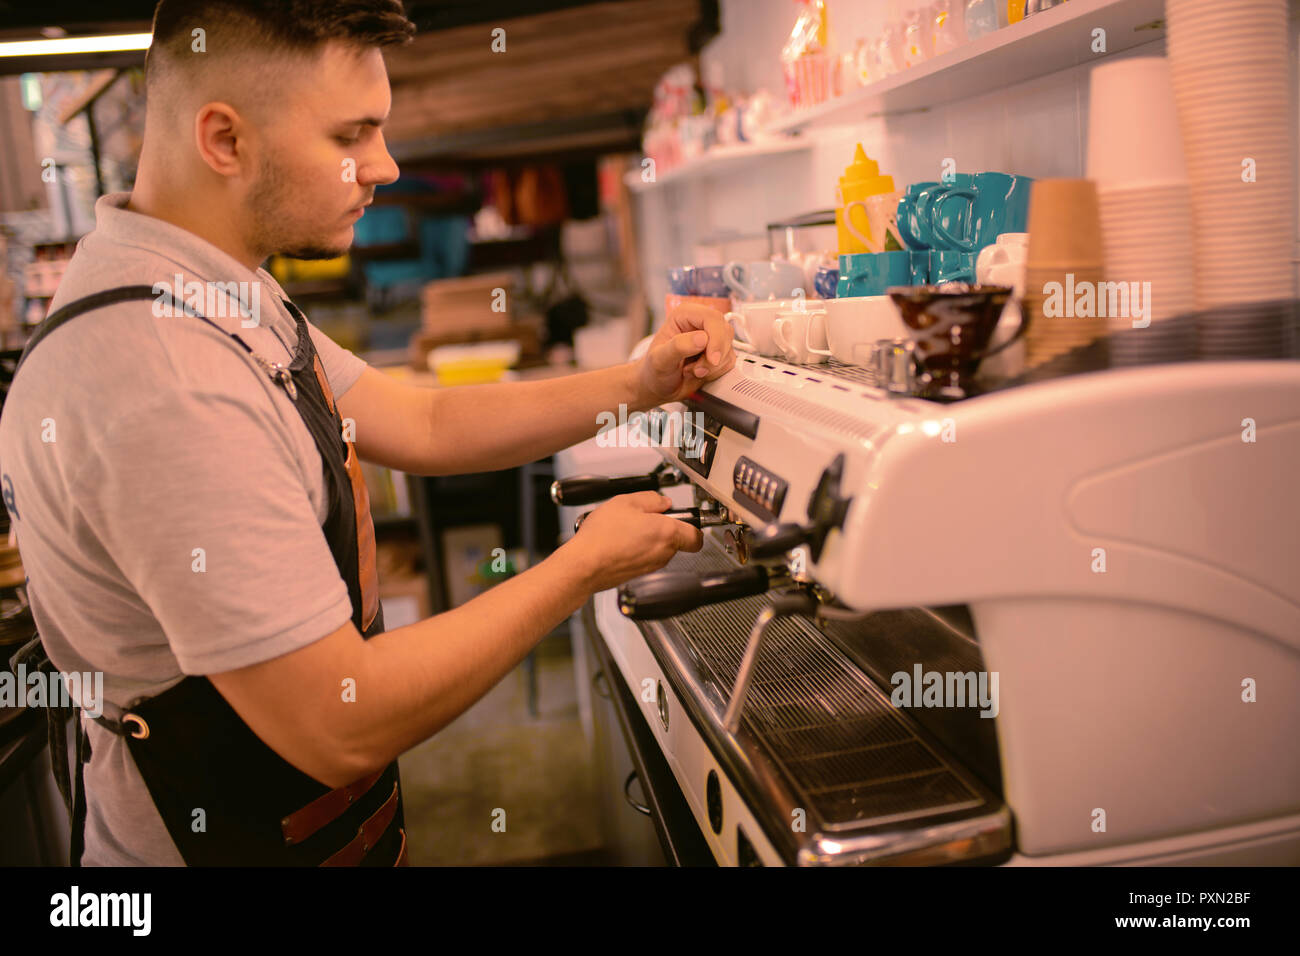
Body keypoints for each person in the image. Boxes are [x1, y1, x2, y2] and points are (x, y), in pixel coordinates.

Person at [0, 0, 735, 866]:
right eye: (352, 135)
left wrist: (634, 384)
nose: (384, 166)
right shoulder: (163, 377)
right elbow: (339, 720)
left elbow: (418, 417)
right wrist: (581, 565)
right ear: (225, 141)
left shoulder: (216, 288)